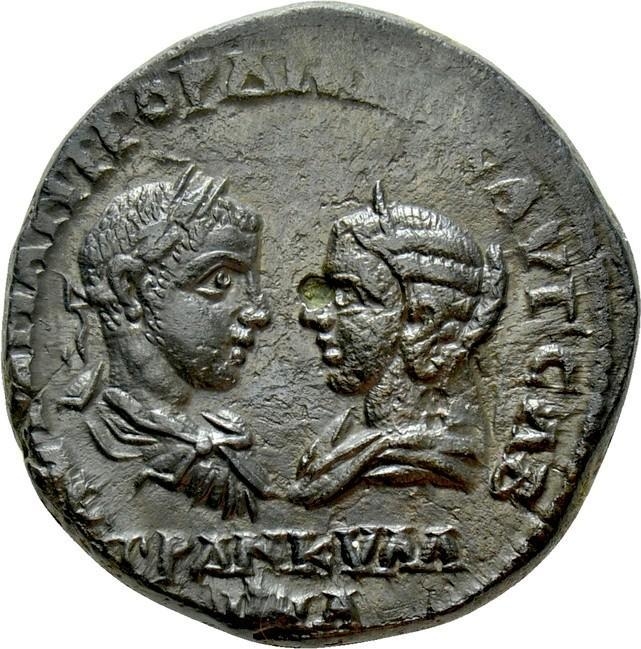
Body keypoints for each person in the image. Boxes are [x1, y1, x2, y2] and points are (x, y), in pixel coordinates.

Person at [62, 165, 272, 520]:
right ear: (130, 289)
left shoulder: (217, 441)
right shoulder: (93, 438)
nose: (259, 311)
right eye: (220, 280)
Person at [291, 182, 506, 507]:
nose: (314, 316)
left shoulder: (442, 462)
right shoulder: (347, 439)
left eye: (348, 295)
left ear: (421, 320)